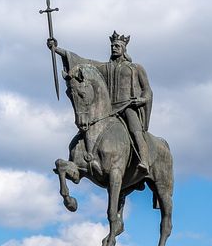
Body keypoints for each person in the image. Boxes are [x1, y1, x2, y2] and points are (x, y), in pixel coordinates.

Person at [49, 31, 157, 178]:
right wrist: (57, 49)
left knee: (136, 131)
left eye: (118, 46)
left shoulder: (136, 68)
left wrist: (142, 100)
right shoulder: (104, 67)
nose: (114, 48)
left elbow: (148, 91)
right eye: (113, 46)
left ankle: (143, 160)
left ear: (124, 49)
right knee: (84, 132)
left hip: (128, 106)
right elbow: (83, 61)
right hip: (108, 109)